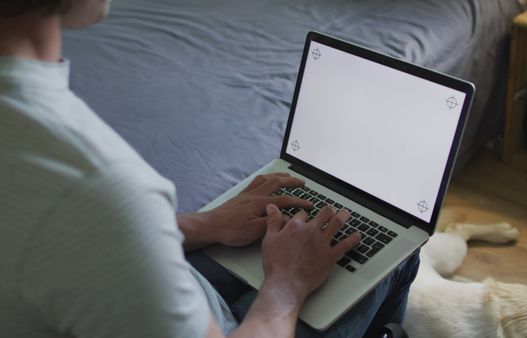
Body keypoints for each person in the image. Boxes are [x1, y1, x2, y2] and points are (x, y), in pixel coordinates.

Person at [0, 0, 420, 337]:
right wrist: (287, 285)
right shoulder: (97, 183)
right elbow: (89, 219)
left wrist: (206, 223)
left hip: (120, 300)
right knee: (392, 255)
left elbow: (72, 240)